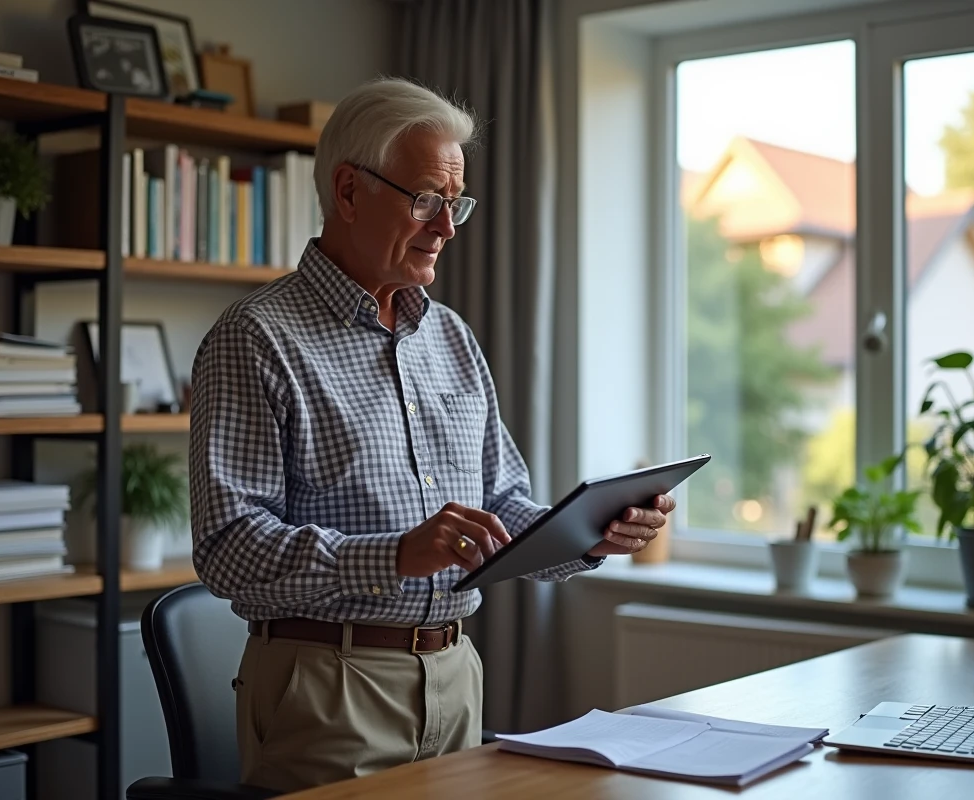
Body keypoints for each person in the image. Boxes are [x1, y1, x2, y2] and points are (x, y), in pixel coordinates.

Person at [188, 77, 674, 793]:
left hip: (455, 677)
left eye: (455, 203)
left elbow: (503, 503)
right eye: (424, 199)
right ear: (348, 192)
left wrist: (588, 535)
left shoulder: (451, 338)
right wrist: (392, 556)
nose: (446, 227)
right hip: (327, 688)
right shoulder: (255, 338)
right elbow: (227, 548)